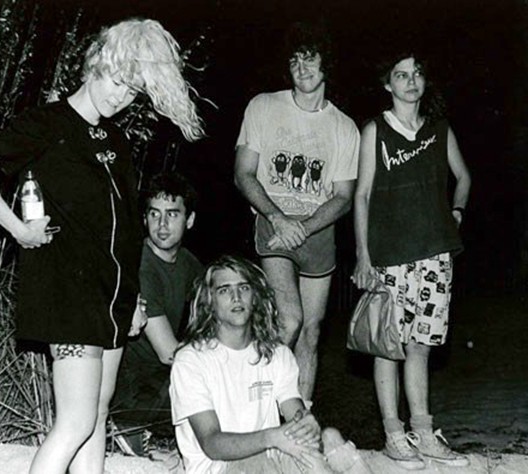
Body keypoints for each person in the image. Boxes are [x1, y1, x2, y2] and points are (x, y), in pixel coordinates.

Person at [0, 18, 203, 474]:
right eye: (119, 81)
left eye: (134, 91)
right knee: (76, 420)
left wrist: (134, 299)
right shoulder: (47, 124)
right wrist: (16, 228)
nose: (122, 96)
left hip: (112, 297)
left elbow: (124, 228)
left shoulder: (116, 139)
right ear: (96, 64)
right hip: (67, 292)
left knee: (97, 418)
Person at [352, 52, 471, 470]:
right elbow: (361, 195)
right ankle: (392, 434)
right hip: (389, 257)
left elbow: (465, 177)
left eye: (417, 73)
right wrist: (363, 255)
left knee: (420, 345)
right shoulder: (375, 131)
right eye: (401, 75)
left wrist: (455, 212)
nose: (410, 81)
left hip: (435, 254)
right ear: (388, 84)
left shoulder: (439, 129)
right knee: (389, 347)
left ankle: (423, 432)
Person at [234, 22, 360, 401]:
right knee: (288, 319)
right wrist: (277, 218)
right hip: (274, 226)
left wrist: (302, 227)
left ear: (326, 66)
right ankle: (252, 406)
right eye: (294, 61)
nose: (302, 68)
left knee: (312, 331)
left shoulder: (344, 127)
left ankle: (301, 415)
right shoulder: (264, 105)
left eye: (310, 60)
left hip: (317, 233)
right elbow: (243, 174)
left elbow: (343, 197)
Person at [170, 255, 373, 474]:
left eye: (244, 288)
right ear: (209, 302)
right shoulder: (191, 360)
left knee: (330, 438)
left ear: (255, 297)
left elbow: (295, 412)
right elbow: (212, 444)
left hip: (268, 456)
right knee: (300, 456)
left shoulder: (277, 353)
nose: (236, 297)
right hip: (221, 468)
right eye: (224, 290)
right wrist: (272, 437)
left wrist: (306, 423)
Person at [113, 172, 202, 448]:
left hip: (157, 379)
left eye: (173, 215)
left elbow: (213, 316)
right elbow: (168, 354)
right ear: (144, 218)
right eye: (154, 214)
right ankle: (129, 424)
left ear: (189, 220)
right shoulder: (142, 265)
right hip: (134, 383)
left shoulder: (188, 263)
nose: (162, 225)